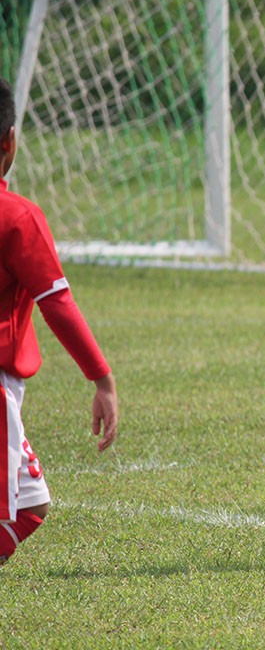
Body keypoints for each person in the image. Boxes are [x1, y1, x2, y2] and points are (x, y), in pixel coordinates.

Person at [0, 78, 119, 566]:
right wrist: (102, 379)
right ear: (10, 140)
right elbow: (57, 303)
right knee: (18, 509)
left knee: (29, 502)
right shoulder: (17, 217)